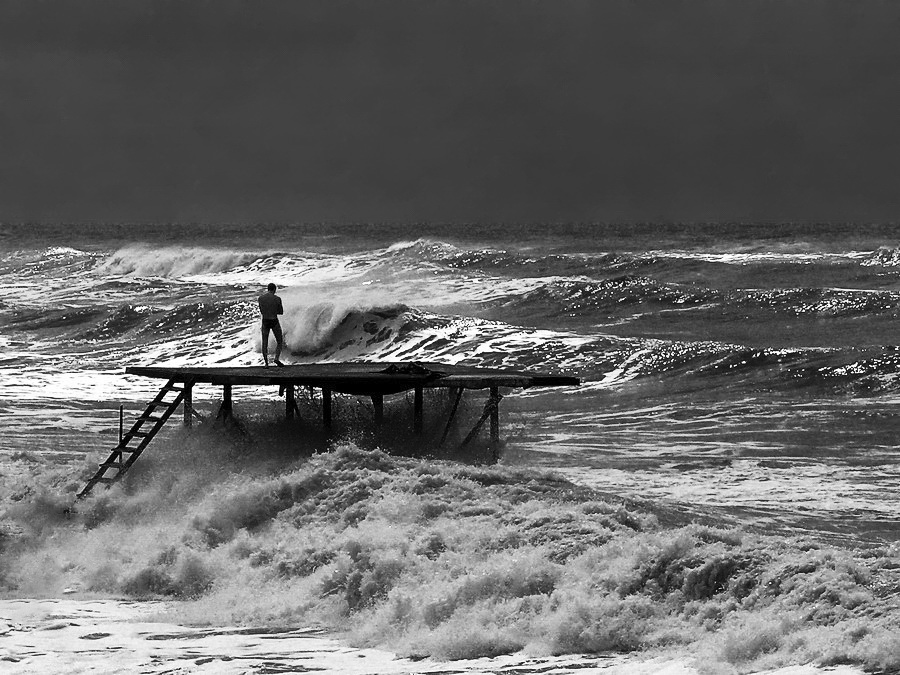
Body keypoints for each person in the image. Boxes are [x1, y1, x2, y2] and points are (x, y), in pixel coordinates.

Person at [258, 283, 284, 367]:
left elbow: (262, 311)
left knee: (264, 342)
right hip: (274, 321)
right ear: (274, 289)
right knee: (279, 341)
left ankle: (266, 363)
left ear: (268, 289)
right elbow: (280, 312)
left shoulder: (261, 298)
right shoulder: (277, 299)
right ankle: (276, 358)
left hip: (265, 321)